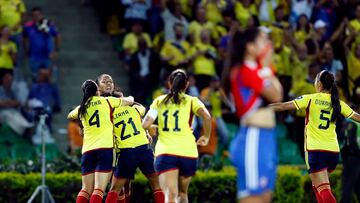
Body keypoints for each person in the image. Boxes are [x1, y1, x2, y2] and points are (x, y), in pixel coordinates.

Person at [270, 70, 360, 203]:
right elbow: (357, 117)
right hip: (333, 153)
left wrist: (262, 108)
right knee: (317, 186)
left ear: (319, 84)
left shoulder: (310, 98)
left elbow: (284, 106)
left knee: (324, 190)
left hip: (315, 150)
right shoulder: (337, 102)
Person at [227, 28, 283, 203]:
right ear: (250, 47)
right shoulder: (244, 70)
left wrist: (265, 68)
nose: (268, 45)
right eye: (262, 40)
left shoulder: (257, 70)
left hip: (265, 137)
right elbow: (274, 95)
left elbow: (279, 95)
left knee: (265, 196)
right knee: (253, 198)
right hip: (253, 136)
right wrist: (266, 67)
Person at [142, 69, 212, 203]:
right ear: (186, 85)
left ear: (169, 83)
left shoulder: (159, 101)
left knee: (170, 195)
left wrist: (152, 127)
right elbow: (207, 117)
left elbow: (145, 124)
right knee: (183, 194)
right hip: (188, 153)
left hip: (166, 153)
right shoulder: (192, 101)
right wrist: (206, 137)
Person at [67, 80, 134, 203]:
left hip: (87, 151)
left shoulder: (82, 107)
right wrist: (130, 97)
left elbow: (70, 115)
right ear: (97, 90)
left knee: (86, 189)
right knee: (99, 189)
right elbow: (129, 101)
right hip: (105, 149)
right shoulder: (106, 101)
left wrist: (82, 122)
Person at [105, 90, 164, 203]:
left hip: (126, 153)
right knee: (157, 185)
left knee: (115, 189)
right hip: (144, 149)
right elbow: (142, 109)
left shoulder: (109, 116)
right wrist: (130, 102)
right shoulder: (135, 109)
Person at [23, 7, 60, 78]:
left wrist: (56, 50)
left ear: (41, 15)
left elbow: (57, 35)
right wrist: (26, 49)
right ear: (31, 16)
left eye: (38, 15)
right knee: (35, 78)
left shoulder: (48, 24)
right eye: (34, 15)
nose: (36, 17)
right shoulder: (28, 26)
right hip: (34, 57)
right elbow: (24, 38)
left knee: (51, 78)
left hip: (47, 57)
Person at [340, 105, 360, 203]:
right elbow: (352, 142)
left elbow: (344, 142)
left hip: (347, 156)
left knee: (352, 181)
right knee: (350, 181)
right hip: (354, 156)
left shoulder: (344, 123)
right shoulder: (355, 123)